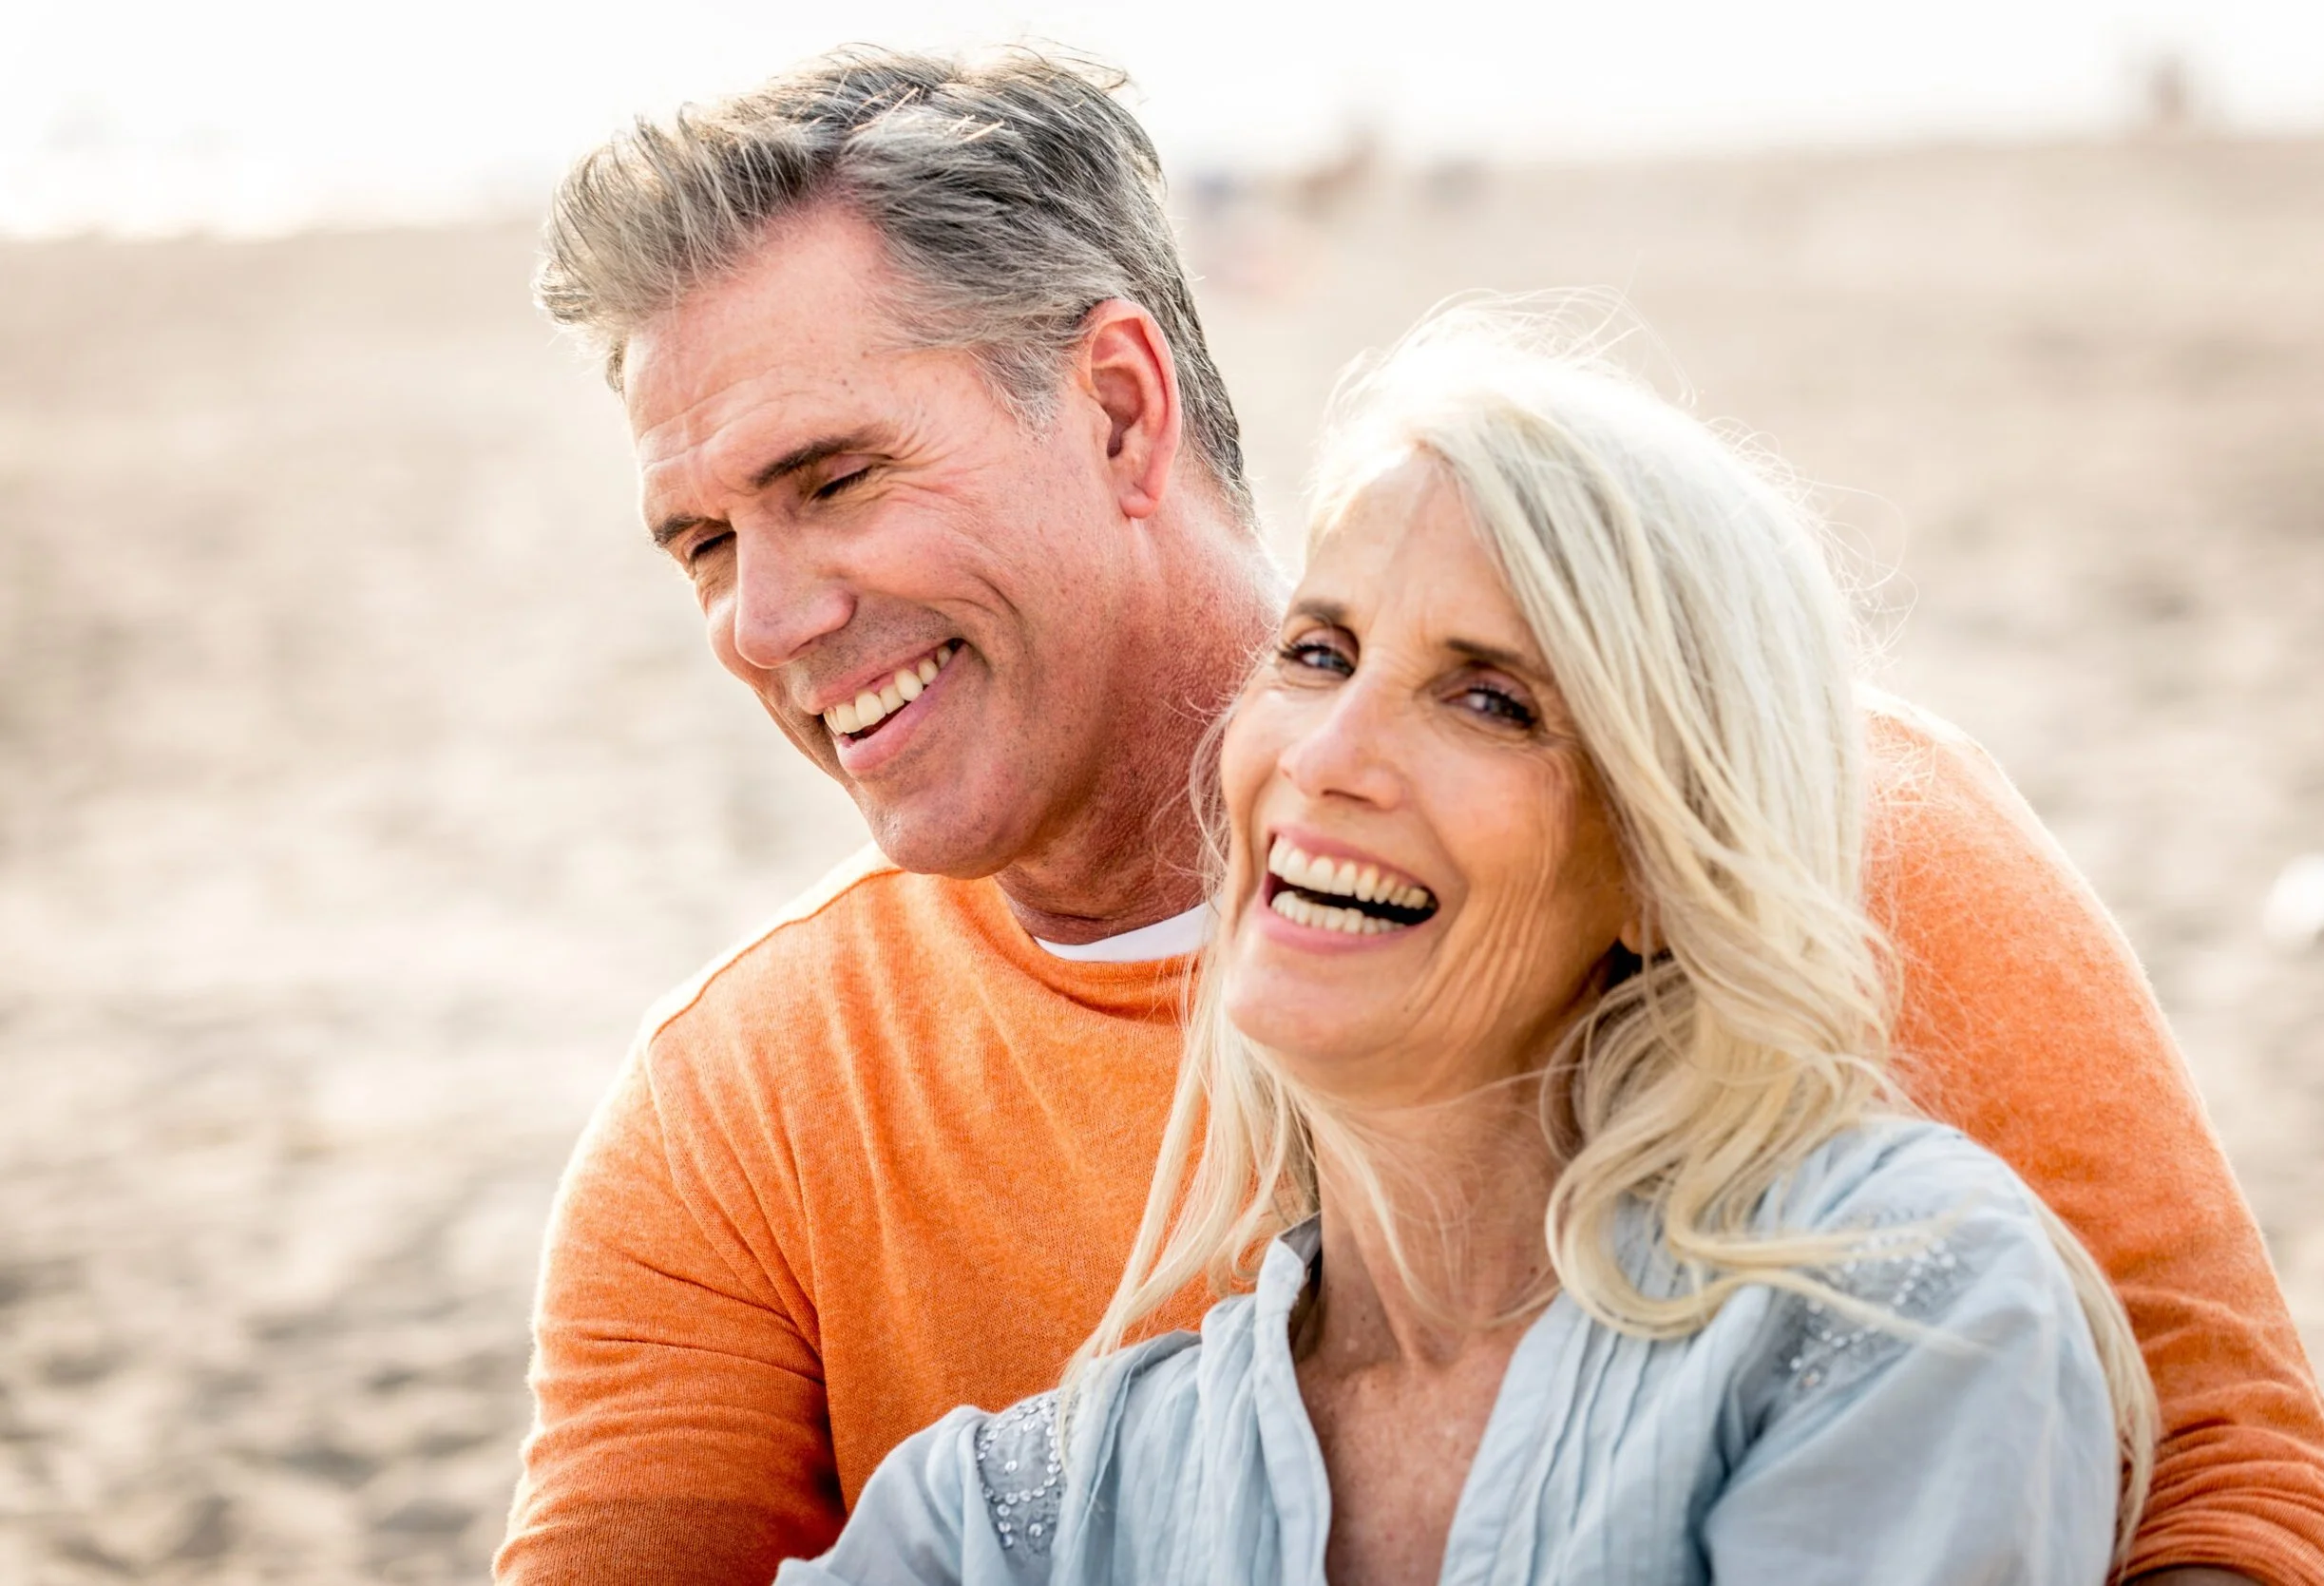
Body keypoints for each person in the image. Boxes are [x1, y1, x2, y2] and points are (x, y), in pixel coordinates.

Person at [497, 47, 2324, 1586]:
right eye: (702, 543)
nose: (764, 616)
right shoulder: (744, 1116)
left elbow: (2242, 1498)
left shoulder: (1804, 830)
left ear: (1124, 414)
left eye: (832, 478)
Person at [776, 302, 2156, 1586]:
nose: (1330, 755)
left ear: (1661, 867)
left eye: (1490, 701)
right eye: (1318, 653)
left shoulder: (1889, 1302)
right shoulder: (1051, 1502)